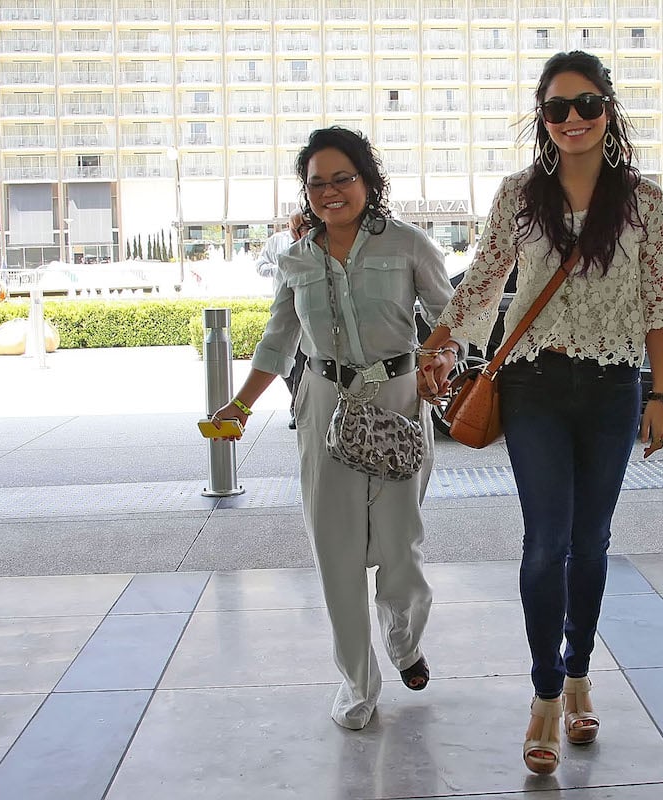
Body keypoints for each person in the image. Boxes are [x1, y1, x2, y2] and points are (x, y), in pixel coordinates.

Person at [419, 51, 663, 775]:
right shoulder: (518, 195)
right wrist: (435, 347)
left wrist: (660, 392)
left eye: (587, 105)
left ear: (609, 112)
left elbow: (659, 299)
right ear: (543, 116)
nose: (573, 120)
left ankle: (578, 675)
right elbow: (482, 283)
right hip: (533, 384)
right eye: (559, 108)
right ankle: (541, 695)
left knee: (591, 542)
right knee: (546, 542)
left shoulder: (645, 201)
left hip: (613, 387)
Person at [209, 127, 458, 731]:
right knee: (335, 551)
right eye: (316, 183)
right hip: (324, 406)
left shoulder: (407, 243)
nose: (330, 192)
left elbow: (452, 316)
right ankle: (357, 682)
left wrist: (440, 363)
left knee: (400, 548)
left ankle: (403, 639)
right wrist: (238, 406)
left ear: (368, 183)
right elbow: (278, 338)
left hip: (399, 401)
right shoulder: (296, 259)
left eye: (341, 178)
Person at [255, 220, 312, 429]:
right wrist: (242, 404)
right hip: (288, 310)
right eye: (302, 226)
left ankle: (296, 408)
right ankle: (296, 403)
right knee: (288, 366)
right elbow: (276, 341)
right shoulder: (283, 249)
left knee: (303, 365)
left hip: (309, 324)